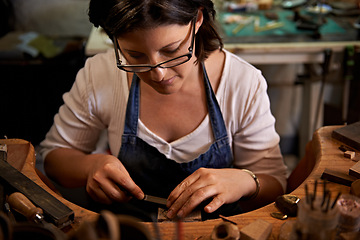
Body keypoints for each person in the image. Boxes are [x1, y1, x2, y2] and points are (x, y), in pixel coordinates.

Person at [39, 0, 287, 221]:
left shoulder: (242, 82)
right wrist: (89, 167)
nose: (158, 73)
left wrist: (245, 182)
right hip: (128, 229)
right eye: (135, 55)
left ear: (197, 19)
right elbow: (53, 159)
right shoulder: (100, 75)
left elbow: (275, 186)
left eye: (171, 50)